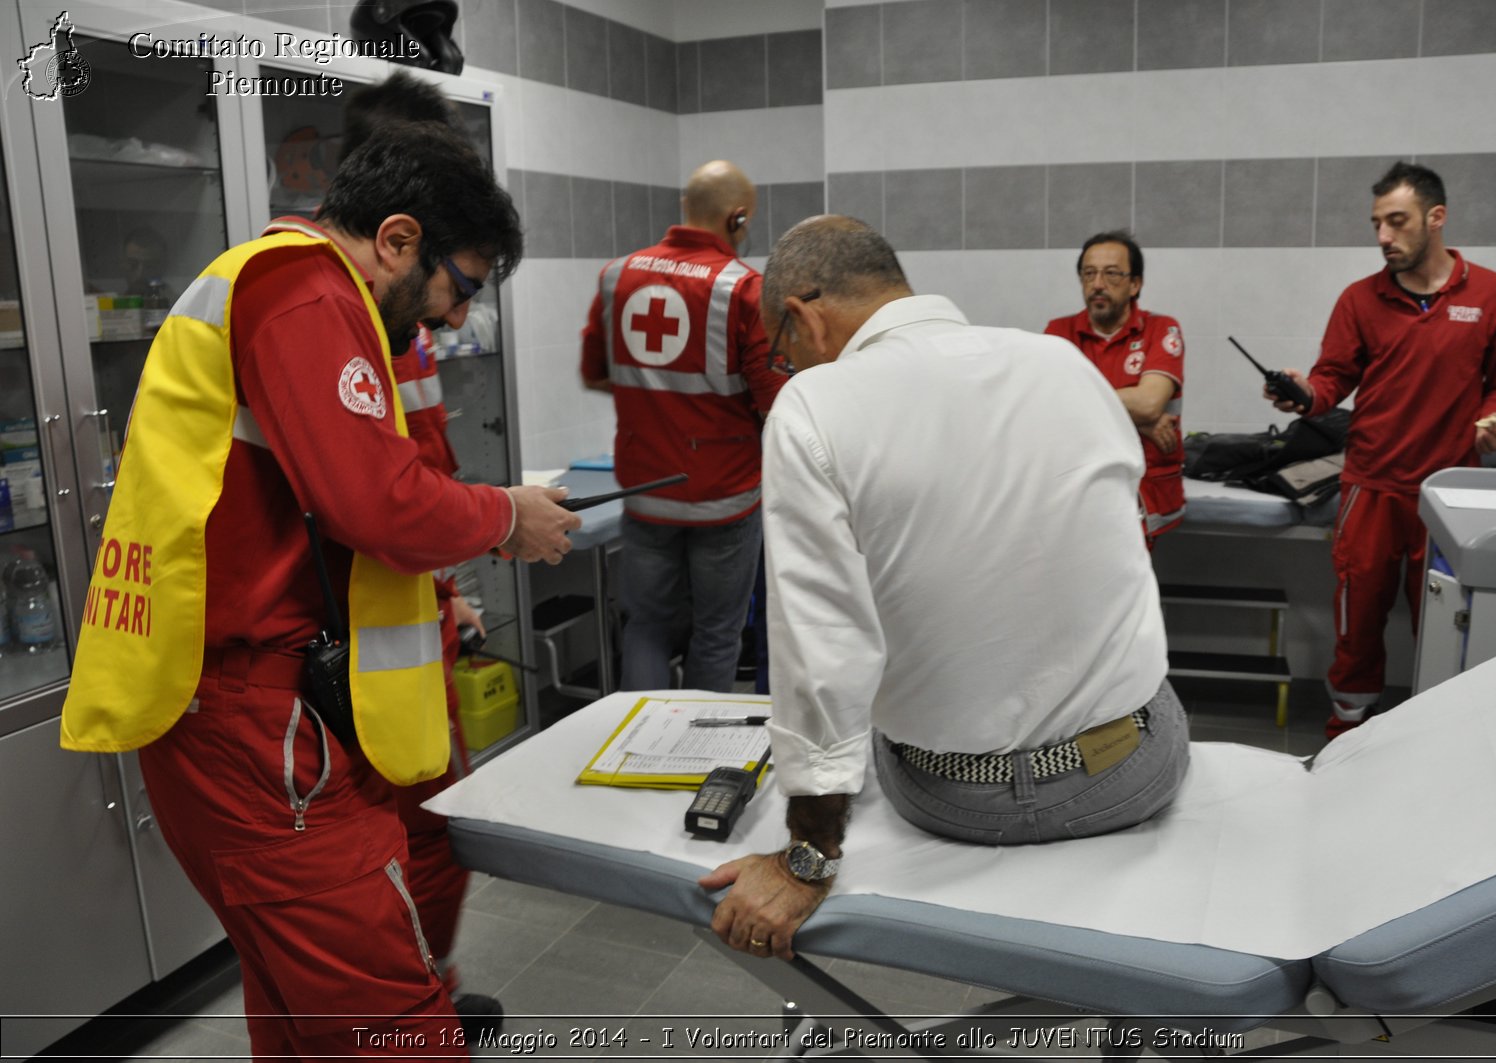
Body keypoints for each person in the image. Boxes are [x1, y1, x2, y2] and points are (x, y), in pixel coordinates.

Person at [60, 122, 581, 1059]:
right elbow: (371, 501)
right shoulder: (300, 291)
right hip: (251, 723)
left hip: (251, 705)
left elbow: (316, 504)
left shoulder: (291, 290)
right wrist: (507, 515)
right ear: (395, 239)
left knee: (303, 1014)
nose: (457, 318)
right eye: (457, 286)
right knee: (394, 1024)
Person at [698, 216, 1190, 960]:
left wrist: (808, 858)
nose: (789, 367)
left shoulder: (815, 406)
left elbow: (820, 652)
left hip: (959, 793)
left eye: (782, 351)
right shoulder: (1064, 363)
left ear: (803, 316)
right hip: (1130, 769)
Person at [338, 71, 500, 1037]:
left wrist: (452, 586)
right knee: (430, 838)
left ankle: (420, 992)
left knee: (426, 837)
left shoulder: (400, 318)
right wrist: (498, 521)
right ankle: (418, 1003)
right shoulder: (357, 320)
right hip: (367, 639)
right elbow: (387, 495)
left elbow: (421, 464)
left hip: (412, 605)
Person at [1264, 161, 1496, 739]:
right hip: (1372, 487)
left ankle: (1446, 734)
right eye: (1377, 223)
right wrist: (1302, 394)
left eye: (1397, 221)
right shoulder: (1360, 300)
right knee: (1358, 619)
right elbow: (1330, 381)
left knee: (1447, 620)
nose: (1383, 236)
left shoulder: (1493, 295)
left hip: (1450, 494)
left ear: (1436, 218)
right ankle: (1348, 727)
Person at [580, 159, 785, 692]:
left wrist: (660, 404)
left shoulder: (616, 276)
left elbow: (597, 374)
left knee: (646, 625)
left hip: (646, 491)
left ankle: (635, 749)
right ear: (737, 218)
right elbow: (775, 403)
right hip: (724, 496)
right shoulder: (743, 289)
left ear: (684, 209)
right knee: (716, 633)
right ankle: (694, 753)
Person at [1044, 231, 1186, 544]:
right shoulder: (1058, 332)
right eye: (1089, 273)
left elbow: (1149, 403)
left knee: (1128, 591)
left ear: (1135, 284)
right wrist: (1135, 422)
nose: (1097, 284)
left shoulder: (1161, 329)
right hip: (1079, 486)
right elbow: (1048, 410)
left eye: (1111, 274)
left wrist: (1080, 401)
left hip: (1142, 492)